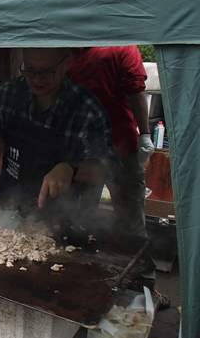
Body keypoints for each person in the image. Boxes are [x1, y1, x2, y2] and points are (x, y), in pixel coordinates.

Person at [0, 48, 120, 214]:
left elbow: (106, 166)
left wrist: (71, 169)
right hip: (7, 211)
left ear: (67, 63)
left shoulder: (88, 110)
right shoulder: (8, 94)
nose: (37, 79)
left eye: (46, 71)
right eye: (30, 70)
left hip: (60, 219)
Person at [67, 46, 168, 307]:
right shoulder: (121, 46)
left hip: (94, 149)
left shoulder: (72, 48)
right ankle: (139, 288)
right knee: (129, 221)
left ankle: (138, 287)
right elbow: (136, 90)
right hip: (113, 145)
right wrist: (144, 133)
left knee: (86, 219)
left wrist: (144, 134)